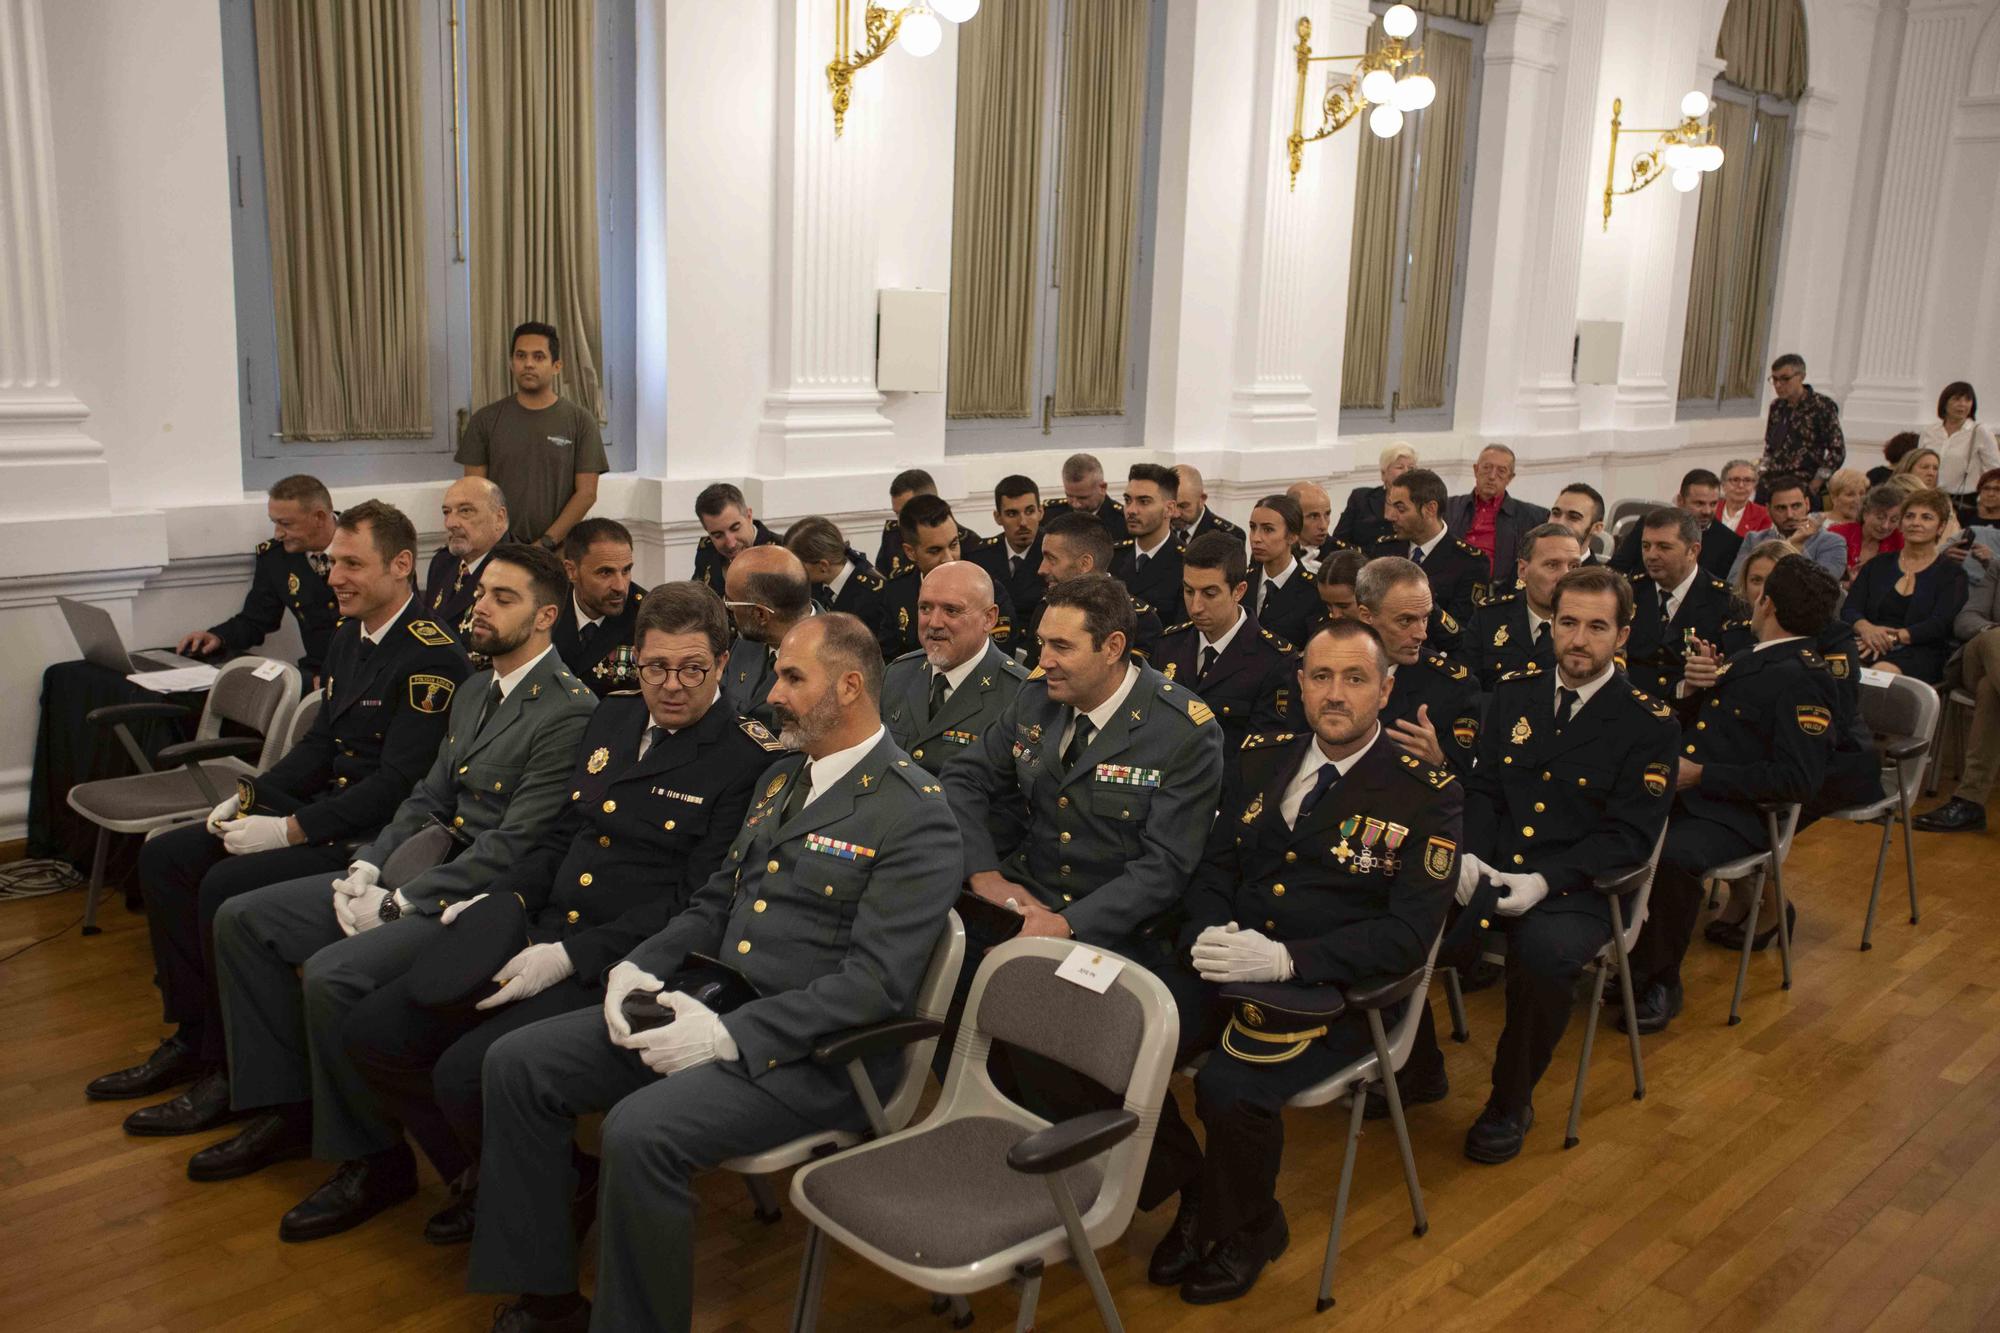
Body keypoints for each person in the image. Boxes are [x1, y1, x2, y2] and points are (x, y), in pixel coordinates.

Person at [471, 613, 963, 1331]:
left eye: (793, 677)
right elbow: (714, 900)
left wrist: (730, 1036)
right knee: (517, 1062)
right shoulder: (781, 778)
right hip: (708, 1002)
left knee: (639, 1133)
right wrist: (639, 964)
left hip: (814, 1055)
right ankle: (544, 1296)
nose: (772, 692)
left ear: (850, 686)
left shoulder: (914, 813)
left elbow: (875, 986)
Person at [339, 583, 778, 1245]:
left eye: (693, 668)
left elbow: (696, 897)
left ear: (722, 663)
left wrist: (570, 956)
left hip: (625, 959)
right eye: (655, 667)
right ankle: (523, 1171)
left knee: (469, 1067)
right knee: (375, 1029)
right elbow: (561, 836)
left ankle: (532, 1191)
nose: (673, 685)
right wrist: (503, 897)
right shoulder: (612, 718)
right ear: (635, 661)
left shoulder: (747, 757)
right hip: (541, 925)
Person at [196, 544, 595, 1239]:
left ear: (546, 616)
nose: (480, 604)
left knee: (331, 976)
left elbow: (514, 844)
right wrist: (371, 867)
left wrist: (402, 901)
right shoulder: (475, 688)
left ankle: (375, 1159)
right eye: (481, 593)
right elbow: (427, 796)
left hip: (476, 895)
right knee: (243, 918)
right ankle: (285, 1106)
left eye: (503, 597)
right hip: (419, 863)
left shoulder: (567, 709)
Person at [89, 503, 469, 1134]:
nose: (334, 577)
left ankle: (243, 1077)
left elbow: (398, 787)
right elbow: (321, 747)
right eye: (331, 562)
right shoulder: (350, 635)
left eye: (352, 563)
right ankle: (196, 1036)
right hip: (328, 808)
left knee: (222, 885)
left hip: (373, 838)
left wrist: (288, 829)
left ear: (402, 566)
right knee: (168, 856)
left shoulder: (433, 657)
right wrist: (250, 798)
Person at [1142, 619, 1461, 1305]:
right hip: (1232, 960)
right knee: (1119, 1037)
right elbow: (1214, 865)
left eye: (1354, 678)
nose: (1335, 693)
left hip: (1338, 991)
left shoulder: (1424, 791)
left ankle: (1250, 1228)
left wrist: (1288, 958)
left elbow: (1408, 933)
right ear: (1301, 683)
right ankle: (1194, 1186)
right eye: (1321, 676)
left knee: (1228, 1086)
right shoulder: (1260, 757)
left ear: (1386, 688)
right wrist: (1207, 933)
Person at [1405, 565, 1677, 1164]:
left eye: (1596, 627)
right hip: (1495, 867)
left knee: (1543, 954)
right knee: (1397, 907)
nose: (1578, 640)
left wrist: (1545, 880)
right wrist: (1470, 856)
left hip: (1583, 888)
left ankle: (1510, 1099)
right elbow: (1483, 790)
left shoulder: (1648, 723)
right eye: (1568, 623)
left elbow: (1630, 837)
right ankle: (1415, 1066)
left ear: (1623, 636)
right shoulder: (1514, 693)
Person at [942, 574, 1225, 961]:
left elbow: (1165, 867)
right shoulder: (1037, 696)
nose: (1043, 661)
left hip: (1112, 927)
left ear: (1112, 647)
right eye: (1042, 642)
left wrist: (1065, 924)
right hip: (1020, 896)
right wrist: (984, 874)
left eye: (1061, 646)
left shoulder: (1182, 731)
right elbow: (964, 776)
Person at [1620, 555, 1840, 1033]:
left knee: (1674, 857)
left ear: (1767, 603)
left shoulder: (1805, 678)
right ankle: (1615, 948)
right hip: (1694, 792)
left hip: (1741, 813)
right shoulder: (1754, 657)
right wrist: (1697, 683)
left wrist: (1703, 776)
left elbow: (1797, 781)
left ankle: (1659, 980)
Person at [1701, 543, 1880, 944]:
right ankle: (1748, 896)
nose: (1763, 592)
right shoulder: (1737, 629)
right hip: (1768, 749)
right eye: (1756, 581)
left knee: (1745, 806)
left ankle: (1769, 903)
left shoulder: (1830, 640)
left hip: (1835, 760)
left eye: (1771, 581)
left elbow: (1835, 717)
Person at [175, 474, 342, 678]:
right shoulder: (276, 558)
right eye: (274, 523)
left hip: (366, 673)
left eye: (286, 524)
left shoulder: (367, 544)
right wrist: (217, 637)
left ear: (319, 517)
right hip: (316, 670)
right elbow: (257, 619)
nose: (278, 533)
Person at [457, 322, 606, 548]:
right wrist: (495, 542)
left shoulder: (581, 421)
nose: (528, 364)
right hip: (498, 550)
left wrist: (546, 543)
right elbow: (473, 492)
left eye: (538, 357)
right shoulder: (485, 420)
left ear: (557, 366)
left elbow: (586, 494)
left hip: (557, 553)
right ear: (511, 363)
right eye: (520, 356)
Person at [879, 560, 1031, 776]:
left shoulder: (1020, 693)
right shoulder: (897, 675)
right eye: (925, 608)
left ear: (989, 618)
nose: (934, 623)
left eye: (951, 610)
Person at [1153, 532, 1297, 759]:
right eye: (1189, 591)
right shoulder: (1168, 645)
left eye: (1210, 594)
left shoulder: (1274, 661)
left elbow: (1262, 754)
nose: (1196, 606)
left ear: (1239, 591)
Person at [1353, 557, 1482, 775]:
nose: (1421, 633)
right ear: (1366, 616)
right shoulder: (1322, 671)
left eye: (1425, 618)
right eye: (1406, 621)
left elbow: (1471, 786)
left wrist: (1439, 762)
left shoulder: (1455, 689)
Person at [1621, 507, 1754, 701]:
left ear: (1693, 550)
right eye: (1646, 546)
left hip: (1691, 714)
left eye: (1663, 547)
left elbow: (1736, 673)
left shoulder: (1727, 602)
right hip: (1630, 704)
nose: (1651, 555)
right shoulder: (1628, 592)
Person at [1841, 487, 1968, 683]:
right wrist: (1867, 629)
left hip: (1919, 650)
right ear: (1901, 523)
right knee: (1831, 666)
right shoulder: (1878, 564)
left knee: (1879, 675)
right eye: (1910, 516)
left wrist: (1895, 637)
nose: (1916, 523)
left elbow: (1940, 624)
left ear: (1941, 527)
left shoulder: (1951, 573)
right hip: (1867, 640)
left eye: (1926, 517)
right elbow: (1850, 608)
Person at [1914, 549, 2000, 834]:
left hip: (1992, 679)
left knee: (1991, 690)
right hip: (1983, 654)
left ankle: (1969, 801)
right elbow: (1966, 619)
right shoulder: (1998, 568)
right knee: (1996, 638)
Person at [878, 494, 1015, 660]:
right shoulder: (897, 591)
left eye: (954, 545)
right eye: (935, 551)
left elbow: (1000, 655)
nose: (949, 558)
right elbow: (889, 660)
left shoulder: (986, 590)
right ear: (910, 552)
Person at [1368, 466, 1487, 644]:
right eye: (1391, 507)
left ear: (1430, 509)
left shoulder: (1469, 562)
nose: (1391, 517)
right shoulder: (1384, 549)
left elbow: (1462, 633)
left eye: (1401, 509)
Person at [1461, 524, 1582, 691]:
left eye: (1574, 567)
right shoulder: (1489, 617)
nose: (1566, 577)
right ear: (1523, 570)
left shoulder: (1587, 627)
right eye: (1552, 565)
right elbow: (1468, 689)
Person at [1032, 510, 1165, 660]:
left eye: (1052, 559)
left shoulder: (1140, 621)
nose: (1041, 569)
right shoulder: (1046, 609)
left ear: (1085, 564)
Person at [720, 545, 817, 724]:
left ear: (760, 615)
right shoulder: (749, 638)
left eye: (731, 603)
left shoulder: (833, 658)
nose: (728, 610)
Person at [553, 518, 647, 696]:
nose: (620, 586)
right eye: (605, 572)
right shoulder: (546, 608)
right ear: (571, 571)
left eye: (626, 570)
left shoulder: (648, 617)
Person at [1611, 468, 1741, 581]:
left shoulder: (1730, 542)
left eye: (1713, 504)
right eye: (1699, 504)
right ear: (1680, 501)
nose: (1707, 511)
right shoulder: (1650, 525)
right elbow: (1617, 568)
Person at [425, 477, 511, 638]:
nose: (451, 523)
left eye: (465, 511)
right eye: (446, 512)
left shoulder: (518, 570)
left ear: (499, 517)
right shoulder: (442, 563)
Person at [1445, 444, 1549, 578]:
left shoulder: (1533, 517)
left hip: (1499, 592)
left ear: (1510, 478)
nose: (1492, 476)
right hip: (1451, 587)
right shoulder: (1448, 507)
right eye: (1486, 468)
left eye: (1501, 470)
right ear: (1476, 470)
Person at [783, 515, 888, 643]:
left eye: (798, 565)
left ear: (823, 566)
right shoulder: (813, 584)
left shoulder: (875, 595)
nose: (792, 571)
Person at [1729, 474, 1849, 582]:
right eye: (1781, 508)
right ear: (1768, 509)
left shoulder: (1832, 542)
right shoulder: (1754, 540)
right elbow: (1734, 583)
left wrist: (1798, 546)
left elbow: (1824, 587)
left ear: (1807, 504)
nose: (1790, 515)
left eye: (1796, 506)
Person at [872, 469, 990, 577]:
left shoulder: (971, 543)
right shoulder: (894, 535)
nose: (901, 521)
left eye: (909, 510)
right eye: (898, 514)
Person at [970, 473, 1048, 635]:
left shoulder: (1054, 555)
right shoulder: (980, 557)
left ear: (1041, 512)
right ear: (998, 517)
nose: (1023, 523)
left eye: (1030, 511)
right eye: (1012, 514)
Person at [1759, 352, 1844, 498]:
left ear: (1801, 377)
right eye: (1775, 379)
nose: (1778, 385)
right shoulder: (1777, 406)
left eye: (1785, 379)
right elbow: (1770, 446)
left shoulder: (1822, 406)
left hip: (1802, 484)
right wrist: (1761, 471)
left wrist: (1816, 483)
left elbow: (1837, 452)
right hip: (1770, 481)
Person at [1245, 493, 1320, 647]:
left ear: (1292, 537)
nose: (1256, 538)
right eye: (1253, 527)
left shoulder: (1314, 591)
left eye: (1268, 530)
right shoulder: (1242, 582)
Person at [1110, 463, 1185, 611]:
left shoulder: (1186, 564)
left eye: (1144, 502)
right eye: (1127, 500)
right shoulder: (1112, 556)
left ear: (1169, 509)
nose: (1131, 510)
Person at [690, 483, 779, 596]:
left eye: (735, 528)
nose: (731, 544)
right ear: (707, 530)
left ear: (749, 516)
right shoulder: (707, 552)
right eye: (718, 535)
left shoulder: (783, 554)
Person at [1924, 382, 1998, 503]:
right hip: (1932, 496)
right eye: (1956, 399)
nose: (1962, 404)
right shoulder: (1930, 431)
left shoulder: (1979, 431)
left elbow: (1994, 470)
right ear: (1945, 402)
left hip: (1965, 499)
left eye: (1968, 400)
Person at [1333, 442, 1416, 548]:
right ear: (1383, 473)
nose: (1406, 472)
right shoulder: (1360, 498)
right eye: (1400, 467)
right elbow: (1338, 540)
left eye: (1411, 468)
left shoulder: (1420, 503)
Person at [1040, 452, 1128, 543]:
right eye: (1069, 496)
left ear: (1102, 488)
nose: (1075, 504)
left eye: (1082, 498)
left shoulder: (1124, 523)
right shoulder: (1049, 516)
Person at [1829, 482, 1906, 580]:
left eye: (1894, 520)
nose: (1886, 526)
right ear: (1865, 513)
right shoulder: (1837, 535)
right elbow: (1822, 578)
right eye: (1880, 517)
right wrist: (1846, 586)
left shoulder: (1900, 542)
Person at [1174, 464, 1243, 545]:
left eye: (1183, 506)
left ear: (1202, 499)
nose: (1175, 514)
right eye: (1171, 506)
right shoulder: (1160, 525)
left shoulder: (1228, 536)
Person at [1548, 482, 1608, 564]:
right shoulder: (1530, 563)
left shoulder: (1597, 576)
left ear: (1597, 528)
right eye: (1555, 513)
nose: (1560, 523)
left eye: (1573, 517)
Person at [1311, 549, 1366, 630]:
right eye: (1328, 605)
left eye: (1344, 606)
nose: (1335, 615)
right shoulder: (1320, 630)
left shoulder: (1387, 633)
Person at [1285, 481, 1335, 567]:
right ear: (1293, 518)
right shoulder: (1273, 552)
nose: (1323, 526)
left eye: (1327, 514)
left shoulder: (1344, 556)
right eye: (1314, 516)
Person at [1715, 459, 1769, 536]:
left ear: (1754, 486)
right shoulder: (1709, 510)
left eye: (1747, 480)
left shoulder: (1764, 516)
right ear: (1723, 485)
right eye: (1735, 480)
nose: (1741, 485)